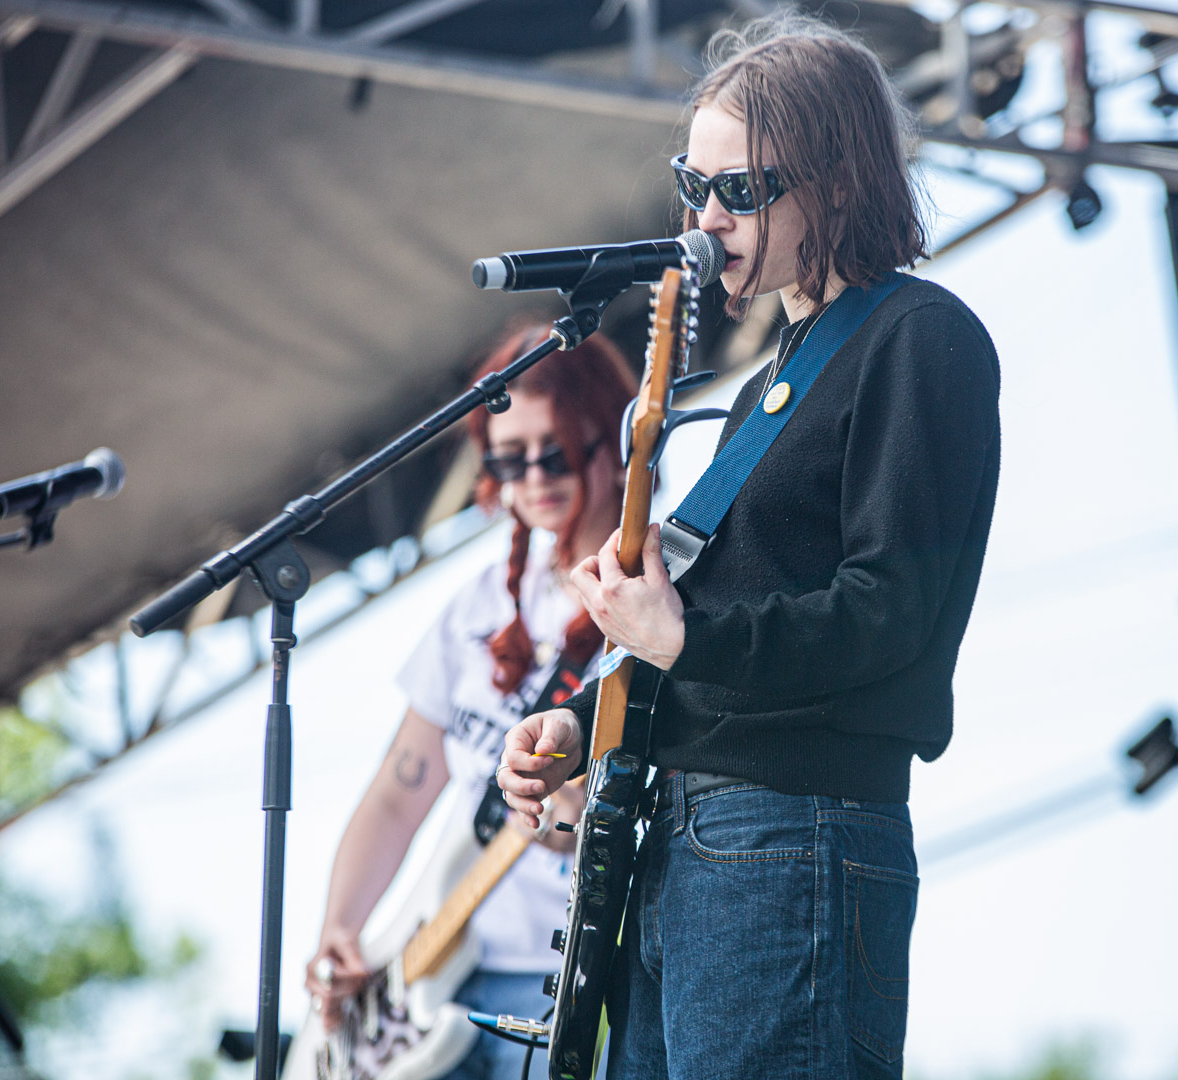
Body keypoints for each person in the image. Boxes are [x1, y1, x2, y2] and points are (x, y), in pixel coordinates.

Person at [496, 13, 1003, 1080]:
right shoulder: (770, 381)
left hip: (794, 835)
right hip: (687, 844)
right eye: (694, 184)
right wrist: (579, 720)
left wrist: (684, 640)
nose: (706, 218)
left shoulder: (919, 338)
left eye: (740, 189)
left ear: (837, 184)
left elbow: (887, 614)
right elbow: (711, 615)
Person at [304, 326, 635, 1080]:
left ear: (614, 441)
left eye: (555, 451)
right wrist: (340, 931)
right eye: (509, 458)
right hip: (423, 980)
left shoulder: (649, 602)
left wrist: (578, 824)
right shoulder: (477, 605)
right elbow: (398, 794)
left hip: (558, 986)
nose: (534, 477)